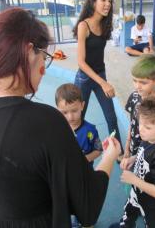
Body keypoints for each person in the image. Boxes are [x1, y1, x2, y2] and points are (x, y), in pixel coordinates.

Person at [0, 7, 122, 228]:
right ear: (29, 52)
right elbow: (87, 205)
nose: (43, 68)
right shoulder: (47, 122)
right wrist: (109, 155)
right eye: (44, 57)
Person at [110, 94, 155, 228]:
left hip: (153, 203)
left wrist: (135, 180)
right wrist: (132, 159)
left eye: (147, 127)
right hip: (137, 193)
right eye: (140, 123)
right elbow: (143, 153)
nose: (140, 129)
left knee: (152, 223)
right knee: (128, 212)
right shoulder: (149, 138)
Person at [73, 0, 124, 158]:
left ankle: (118, 154)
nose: (107, 4)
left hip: (100, 74)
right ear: (93, 2)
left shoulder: (105, 24)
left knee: (111, 118)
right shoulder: (83, 25)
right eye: (103, 0)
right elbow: (80, 61)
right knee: (77, 119)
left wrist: (102, 80)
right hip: (84, 79)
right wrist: (103, 83)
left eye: (109, 1)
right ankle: (74, 154)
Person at [55, 83, 102, 228]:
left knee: (81, 201)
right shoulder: (56, 128)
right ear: (57, 109)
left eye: (74, 110)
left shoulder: (90, 130)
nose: (70, 116)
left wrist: (83, 160)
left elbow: (98, 150)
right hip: (63, 176)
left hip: (83, 175)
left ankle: (80, 220)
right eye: (64, 112)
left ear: (82, 105)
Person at [124, 55, 155, 158]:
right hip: (133, 147)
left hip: (148, 155)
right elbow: (132, 122)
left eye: (143, 82)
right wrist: (127, 145)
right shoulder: (134, 96)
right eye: (134, 80)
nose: (137, 86)